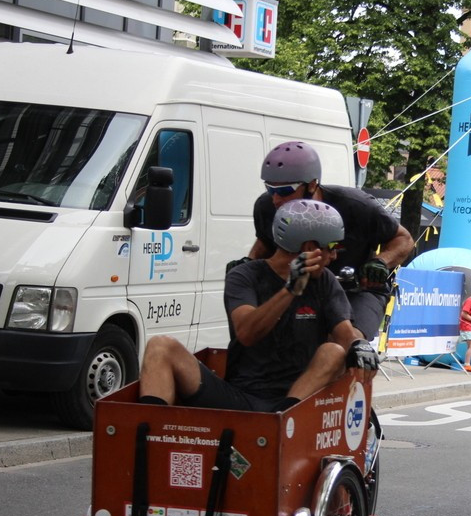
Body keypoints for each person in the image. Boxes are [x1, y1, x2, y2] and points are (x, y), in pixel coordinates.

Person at [138, 200, 378, 411]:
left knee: (334, 350)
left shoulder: (324, 280)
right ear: (309, 248)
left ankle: (282, 421)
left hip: (294, 397)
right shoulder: (244, 276)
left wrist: (360, 345)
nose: (335, 256)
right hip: (238, 395)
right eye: (332, 247)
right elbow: (247, 333)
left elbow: (345, 333)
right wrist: (290, 290)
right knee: (160, 346)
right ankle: (147, 439)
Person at [249, 141, 415, 341]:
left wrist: (381, 262)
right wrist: (248, 267)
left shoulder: (356, 205)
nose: (275, 199)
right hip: (302, 286)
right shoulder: (266, 207)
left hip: (356, 289)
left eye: (285, 191)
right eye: (270, 190)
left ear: (311, 185)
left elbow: (403, 239)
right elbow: (263, 246)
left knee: (347, 344)